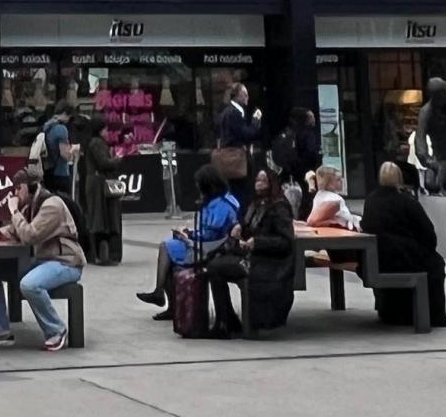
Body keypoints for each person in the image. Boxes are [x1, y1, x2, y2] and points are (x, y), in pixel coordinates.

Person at [0, 164, 84, 351]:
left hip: (65, 262)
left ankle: (56, 330)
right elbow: (15, 230)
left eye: (19, 188)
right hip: (43, 260)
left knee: (30, 284)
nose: (16, 193)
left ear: (31, 186)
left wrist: (14, 212)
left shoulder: (52, 205)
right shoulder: (31, 205)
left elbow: (30, 235)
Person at [136, 165, 241, 320]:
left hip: (210, 249)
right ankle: (169, 303)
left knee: (166, 247)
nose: (197, 187)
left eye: (199, 184)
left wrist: (189, 236)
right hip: (210, 243)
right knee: (169, 252)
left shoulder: (220, 206)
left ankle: (161, 294)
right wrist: (189, 233)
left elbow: (210, 234)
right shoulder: (225, 199)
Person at [205, 166, 298, 337]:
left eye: (263, 181)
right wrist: (239, 229)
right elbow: (250, 228)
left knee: (215, 268)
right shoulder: (256, 204)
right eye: (257, 180)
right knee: (214, 264)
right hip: (253, 256)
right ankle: (226, 319)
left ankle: (225, 322)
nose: (258, 184)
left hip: (269, 262)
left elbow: (285, 242)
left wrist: (258, 242)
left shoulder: (279, 207)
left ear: (271, 183)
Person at [360, 162, 446, 328]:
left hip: (377, 257)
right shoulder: (406, 201)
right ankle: (435, 315)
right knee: (435, 264)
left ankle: (390, 310)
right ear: (399, 179)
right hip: (404, 256)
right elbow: (427, 232)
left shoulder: (371, 200)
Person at [72, 111, 124, 267]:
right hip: (98, 185)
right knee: (100, 217)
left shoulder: (92, 142)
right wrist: (117, 159)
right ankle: (100, 253)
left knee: (98, 216)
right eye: (106, 129)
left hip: (95, 182)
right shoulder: (96, 143)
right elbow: (104, 163)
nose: (107, 133)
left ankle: (99, 253)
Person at [214, 83, 263, 187]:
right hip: (235, 161)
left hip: (233, 161)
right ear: (237, 96)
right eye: (245, 94)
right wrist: (256, 121)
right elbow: (246, 135)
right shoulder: (233, 113)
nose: (248, 97)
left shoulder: (228, 111)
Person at [38, 101, 76, 198]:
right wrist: (73, 151)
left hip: (48, 172)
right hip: (61, 173)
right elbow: (65, 154)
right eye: (69, 116)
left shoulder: (46, 127)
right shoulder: (61, 129)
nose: (68, 120)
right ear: (64, 113)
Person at [304, 165, 360, 230]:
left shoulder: (320, 195)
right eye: (338, 179)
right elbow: (313, 221)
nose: (342, 181)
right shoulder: (334, 199)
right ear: (328, 182)